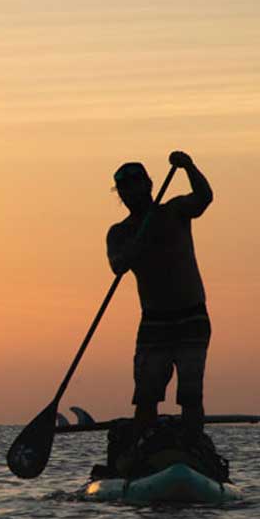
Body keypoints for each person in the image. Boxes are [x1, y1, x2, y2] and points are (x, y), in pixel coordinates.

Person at [107, 150, 214, 438]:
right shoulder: (119, 232)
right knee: (146, 398)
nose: (132, 191)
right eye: (126, 188)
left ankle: (192, 444)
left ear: (149, 184)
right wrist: (136, 245)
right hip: (154, 324)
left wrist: (189, 166)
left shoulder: (174, 211)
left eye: (137, 184)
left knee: (190, 396)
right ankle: (142, 448)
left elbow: (204, 197)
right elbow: (117, 265)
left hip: (192, 317)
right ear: (121, 195)